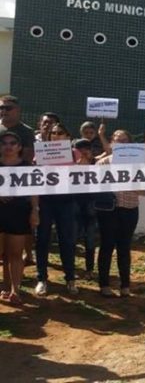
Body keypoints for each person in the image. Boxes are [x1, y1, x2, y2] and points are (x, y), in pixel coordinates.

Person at [96, 130, 145, 298]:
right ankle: (104, 284)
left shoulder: (138, 165)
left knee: (124, 247)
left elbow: (144, 191)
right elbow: (95, 187)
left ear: (130, 144)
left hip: (130, 209)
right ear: (111, 143)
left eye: (125, 141)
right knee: (106, 246)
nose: (121, 144)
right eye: (117, 141)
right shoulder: (102, 164)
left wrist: (130, 180)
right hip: (108, 211)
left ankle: (125, 286)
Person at [34, 123, 79, 296]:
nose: (56, 135)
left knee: (67, 240)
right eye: (53, 133)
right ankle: (42, 279)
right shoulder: (42, 151)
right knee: (42, 240)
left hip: (66, 201)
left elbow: (84, 173)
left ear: (68, 136)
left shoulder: (74, 153)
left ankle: (70, 279)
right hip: (46, 201)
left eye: (61, 133)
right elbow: (35, 174)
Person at [0, 131, 38, 305]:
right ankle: (6, 287)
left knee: (15, 253)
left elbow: (34, 192)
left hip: (19, 213)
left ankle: (16, 290)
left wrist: (35, 211)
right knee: (3, 254)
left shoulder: (27, 167)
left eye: (12, 143)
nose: (8, 146)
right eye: (4, 143)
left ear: (19, 147)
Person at [73, 137, 99, 280]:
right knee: (72, 239)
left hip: (91, 206)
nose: (83, 152)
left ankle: (89, 269)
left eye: (87, 149)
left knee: (90, 240)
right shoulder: (69, 165)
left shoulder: (98, 164)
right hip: (73, 205)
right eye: (79, 149)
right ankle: (72, 269)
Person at [0, 95, 35, 162]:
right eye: (1, 108)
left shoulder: (27, 132)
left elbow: (27, 158)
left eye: (8, 108)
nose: (4, 111)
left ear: (18, 110)